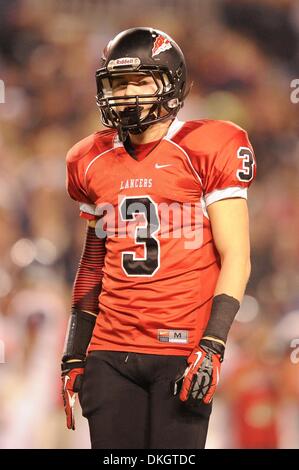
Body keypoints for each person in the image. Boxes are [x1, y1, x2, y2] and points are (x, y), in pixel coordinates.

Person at [61, 27, 256, 449]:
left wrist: (214, 344)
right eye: (116, 83)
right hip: (110, 351)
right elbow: (93, 262)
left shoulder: (208, 145)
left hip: (183, 349)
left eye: (138, 81)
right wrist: (74, 351)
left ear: (171, 83)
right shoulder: (89, 158)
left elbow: (236, 256)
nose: (125, 94)